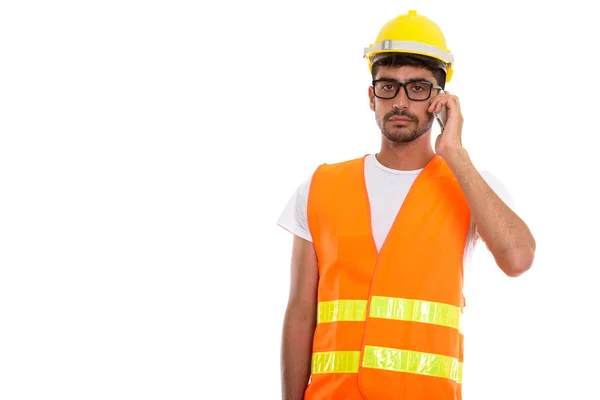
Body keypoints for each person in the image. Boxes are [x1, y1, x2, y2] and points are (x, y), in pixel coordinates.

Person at [277, 10, 536, 400]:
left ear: (440, 100)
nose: (400, 101)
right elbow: (300, 312)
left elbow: (518, 259)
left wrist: (456, 153)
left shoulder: (472, 186)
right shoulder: (319, 187)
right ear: (371, 97)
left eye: (418, 87)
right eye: (388, 87)